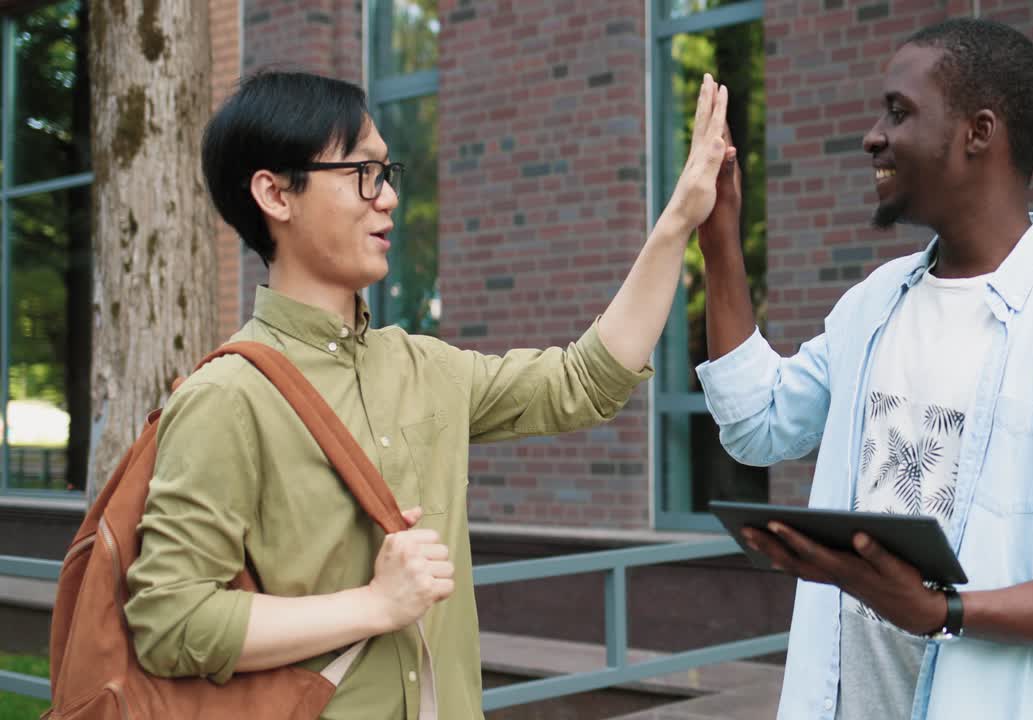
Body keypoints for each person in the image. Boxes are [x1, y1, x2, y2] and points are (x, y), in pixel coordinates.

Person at [123, 70, 733, 719]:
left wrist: (678, 222)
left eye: (388, 173)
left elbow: (584, 381)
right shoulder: (225, 397)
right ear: (275, 193)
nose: (386, 198)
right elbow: (170, 619)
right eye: (363, 173)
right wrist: (376, 605)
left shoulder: (423, 366)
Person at [694, 18, 1033, 720]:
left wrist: (942, 610)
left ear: (979, 132)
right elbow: (758, 425)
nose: (873, 135)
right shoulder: (874, 305)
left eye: (899, 111)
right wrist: (719, 240)